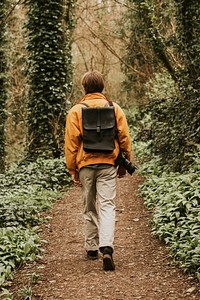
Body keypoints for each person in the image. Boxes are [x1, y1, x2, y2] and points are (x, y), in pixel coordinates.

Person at [64, 70, 131, 271]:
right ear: (102, 86)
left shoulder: (75, 111)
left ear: (84, 87)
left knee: (89, 204)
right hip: (108, 163)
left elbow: (71, 143)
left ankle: (91, 247)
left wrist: (72, 169)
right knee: (108, 205)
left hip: (85, 164)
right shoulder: (115, 108)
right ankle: (107, 247)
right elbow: (124, 138)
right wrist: (124, 163)